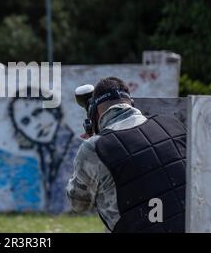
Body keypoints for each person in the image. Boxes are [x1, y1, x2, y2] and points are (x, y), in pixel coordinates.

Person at [66, 77, 187, 233]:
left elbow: (78, 203)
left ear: (94, 113)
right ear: (131, 103)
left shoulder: (95, 147)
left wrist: (91, 147)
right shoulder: (173, 125)